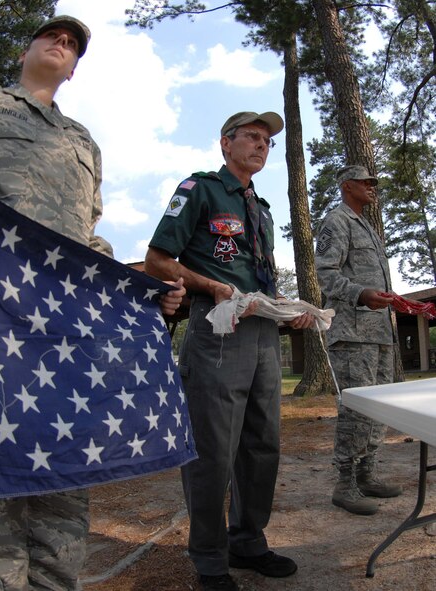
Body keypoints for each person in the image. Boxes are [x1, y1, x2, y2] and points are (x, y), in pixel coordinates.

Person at [0, 15, 184, 590]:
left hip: (60, 355)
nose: (62, 43)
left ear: (76, 68)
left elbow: (87, 242)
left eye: (73, 44)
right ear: (27, 49)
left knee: (63, 523)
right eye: (52, 35)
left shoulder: (84, 143)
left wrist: (138, 294)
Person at [144, 111, 315, 591]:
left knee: (263, 445)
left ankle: (247, 539)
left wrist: (289, 309)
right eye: (252, 137)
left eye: (268, 142)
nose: (262, 146)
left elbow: (259, 278)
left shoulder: (261, 208)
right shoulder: (200, 190)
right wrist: (211, 286)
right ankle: (210, 559)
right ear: (226, 143)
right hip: (217, 334)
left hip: (262, 335)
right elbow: (159, 259)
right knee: (214, 451)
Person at [315, 164, 402, 516]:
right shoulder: (336, 222)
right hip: (351, 334)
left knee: (378, 407)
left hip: (379, 333)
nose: (372, 187)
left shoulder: (368, 226)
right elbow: (325, 274)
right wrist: (361, 293)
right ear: (347, 186)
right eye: (366, 183)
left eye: (374, 183)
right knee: (356, 407)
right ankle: (345, 483)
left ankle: (367, 474)